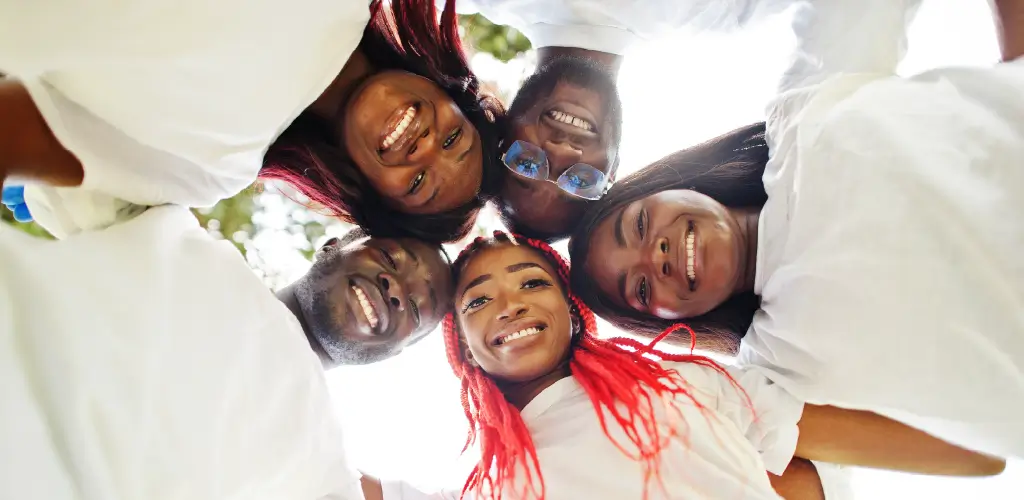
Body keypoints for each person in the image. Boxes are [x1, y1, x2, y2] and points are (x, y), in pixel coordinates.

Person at [570, 0, 1024, 459]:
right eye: (642, 288)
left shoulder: (803, 111)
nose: (657, 255)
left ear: (666, 185)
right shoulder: (776, 368)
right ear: (672, 322)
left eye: (641, 224)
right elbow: (974, 460)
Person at [358, 231, 1002, 500]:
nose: (510, 305)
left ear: (573, 309)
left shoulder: (684, 381)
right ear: (461, 347)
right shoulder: (488, 488)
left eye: (532, 283)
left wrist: (997, 443)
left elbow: (956, 450)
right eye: (477, 299)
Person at [0, 207, 453, 499]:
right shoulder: (168, 222)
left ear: (394, 353)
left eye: (415, 307)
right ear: (336, 243)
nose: (397, 289)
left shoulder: (324, 470)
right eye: (392, 260)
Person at [0, 0, 503, 243]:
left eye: (417, 183)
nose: (424, 147)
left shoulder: (216, 165)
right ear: (450, 87)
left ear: (367, 191)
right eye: (454, 137)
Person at [451, 0, 796, 240]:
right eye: (580, 181)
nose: (561, 152)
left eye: (526, 165)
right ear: (612, 169)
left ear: (501, 135)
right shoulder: (724, 11)